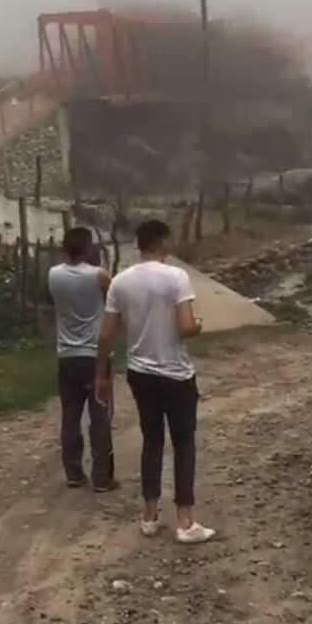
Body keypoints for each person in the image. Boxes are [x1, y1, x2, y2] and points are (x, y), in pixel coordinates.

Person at [96, 219, 215, 544]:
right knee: (183, 443)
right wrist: (199, 325)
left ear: (139, 244)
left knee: (152, 440)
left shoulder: (120, 281)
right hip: (175, 373)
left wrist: (100, 375)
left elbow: (107, 333)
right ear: (163, 241)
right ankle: (185, 521)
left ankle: (149, 516)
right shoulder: (176, 277)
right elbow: (186, 326)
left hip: (140, 373)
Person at [48, 226, 116, 492]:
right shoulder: (99, 276)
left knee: (70, 416)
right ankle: (102, 478)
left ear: (65, 248)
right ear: (89, 249)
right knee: (99, 417)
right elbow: (114, 301)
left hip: (66, 355)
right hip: (94, 355)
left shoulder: (53, 274)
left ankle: (74, 473)